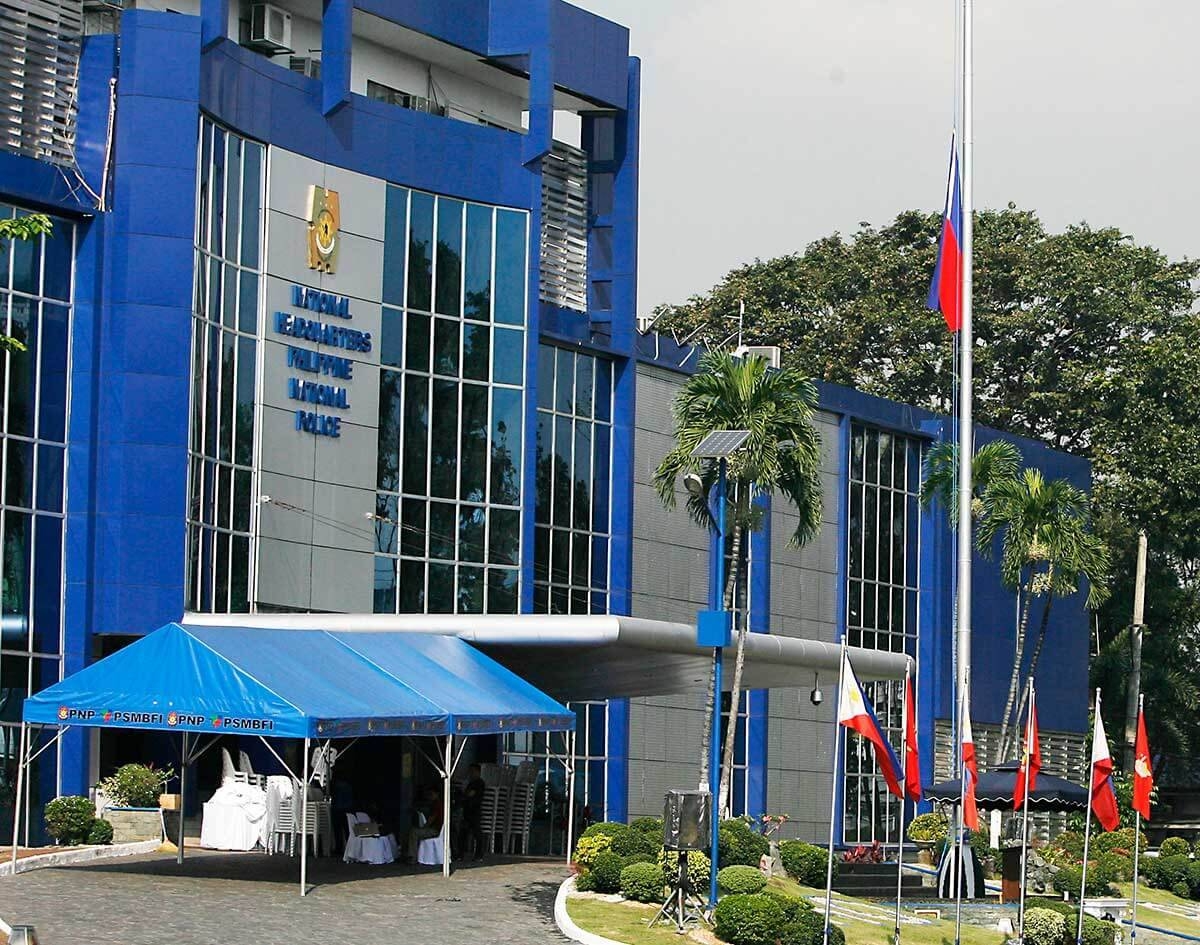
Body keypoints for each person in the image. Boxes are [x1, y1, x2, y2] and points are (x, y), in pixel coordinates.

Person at [405, 785, 443, 863]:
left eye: (431, 794)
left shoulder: (437, 804)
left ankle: (413, 857)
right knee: (414, 832)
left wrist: (424, 827)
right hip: (435, 828)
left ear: (437, 794)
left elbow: (432, 819)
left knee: (414, 832)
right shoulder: (435, 804)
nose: (430, 796)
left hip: (435, 830)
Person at [459, 763, 487, 860]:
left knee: (477, 833)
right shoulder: (470, 783)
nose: (471, 773)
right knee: (463, 833)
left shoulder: (479, 783)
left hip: (474, 811)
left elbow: (470, 794)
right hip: (467, 811)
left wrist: (465, 795)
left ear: (478, 772)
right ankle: (460, 854)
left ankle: (478, 855)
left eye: (473, 771)